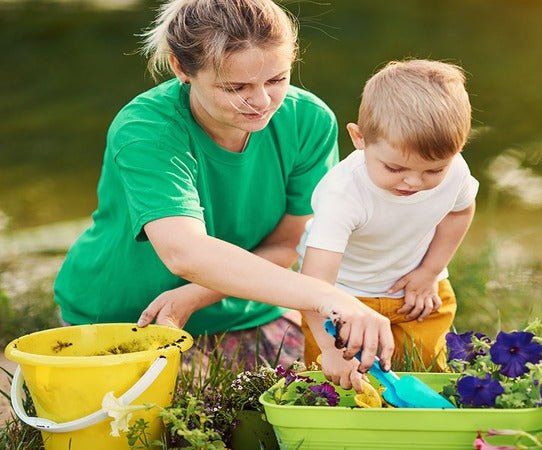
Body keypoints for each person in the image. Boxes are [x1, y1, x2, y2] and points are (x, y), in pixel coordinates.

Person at [53, 0, 393, 372]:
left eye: (276, 80)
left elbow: (286, 243)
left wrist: (197, 295)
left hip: (247, 310)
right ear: (181, 68)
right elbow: (183, 252)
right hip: (126, 318)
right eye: (236, 87)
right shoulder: (145, 130)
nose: (262, 101)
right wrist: (329, 298)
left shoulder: (309, 120)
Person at [299, 59, 478, 391]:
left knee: (425, 375)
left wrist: (430, 271)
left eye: (433, 171)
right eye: (395, 168)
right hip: (345, 297)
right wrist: (330, 349)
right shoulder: (343, 194)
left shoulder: (455, 170)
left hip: (417, 290)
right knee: (338, 384)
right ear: (359, 138)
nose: (414, 182)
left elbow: (459, 212)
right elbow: (314, 285)